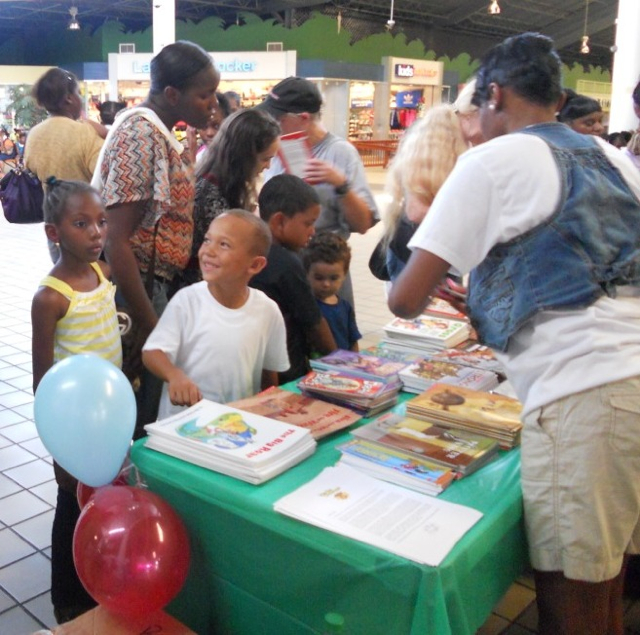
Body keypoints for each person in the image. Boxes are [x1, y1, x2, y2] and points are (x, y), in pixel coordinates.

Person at [388, 32, 640, 635]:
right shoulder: (609, 157)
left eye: (476, 108)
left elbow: (403, 297)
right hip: (629, 382)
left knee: (569, 597)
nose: (472, 125)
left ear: (495, 93)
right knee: (605, 586)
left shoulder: (492, 162)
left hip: (583, 395)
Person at [92, 40, 220, 431]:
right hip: (140, 292)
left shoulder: (158, 131)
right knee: (137, 410)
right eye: (204, 95)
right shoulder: (141, 134)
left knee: (145, 403)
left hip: (152, 287)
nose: (212, 105)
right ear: (171, 93)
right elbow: (116, 240)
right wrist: (154, 329)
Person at [30, 178, 122, 625]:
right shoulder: (51, 298)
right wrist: (59, 445)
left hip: (109, 418)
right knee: (71, 506)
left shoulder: (103, 272)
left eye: (102, 222)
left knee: (102, 502)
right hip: (74, 427)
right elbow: (43, 382)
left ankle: (101, 580)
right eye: (82, 223)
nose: (96, 233)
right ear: (54, 232)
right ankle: (67, 597)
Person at [142, 210, 289, 418]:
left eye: (224, 245)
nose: (209, 251)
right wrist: (174, 376)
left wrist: (268, 412)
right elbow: (152, 352)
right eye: (207, 240)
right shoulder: (187, 301)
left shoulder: (267, 310)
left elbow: (269, 374)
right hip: (183, 428)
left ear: (255, 265)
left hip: (235, 427)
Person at [257, 76, 379, 306]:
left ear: (303, 119)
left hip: (325, 275)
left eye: (277, 119)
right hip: (282, 271)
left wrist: (340, 185)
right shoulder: (275, 151)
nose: (270, 124)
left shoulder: (340, 153)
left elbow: (363, 224)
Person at [175, 108, 280, 289]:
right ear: (245, 155)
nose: (268, 166)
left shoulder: (218, 184)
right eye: (264, 159)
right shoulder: (212, 193)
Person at [251, 174, 337, 384]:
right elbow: (314, 323)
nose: (312, 231)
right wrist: (339, 362)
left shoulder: (250, 250)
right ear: (279, 221)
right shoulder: (287, 263)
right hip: (287, 371)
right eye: (308, 223)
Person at [379, 103, 470, 282]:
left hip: (405, 247)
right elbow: (417, 212)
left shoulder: (413, 155)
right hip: (427, 254)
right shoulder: (458, 163)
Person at [24, 67, 107, 261]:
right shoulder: (84, 133)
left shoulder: (34, 134)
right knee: (94, 280)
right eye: (78, 93)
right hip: (87, 223)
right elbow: (103, 175)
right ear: (69, 98)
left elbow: (31, 168)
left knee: (64, 276)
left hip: (54, 221)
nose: (80, 98)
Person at [302, 231, 361, 352]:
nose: (326, 284)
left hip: (343, 366)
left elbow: (353, 341)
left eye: (333, 278)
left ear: (344, 275)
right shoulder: (306, 308)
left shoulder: (345, 307)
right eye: (319, 278)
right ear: (307, 274)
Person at [188, 91, 231, 164]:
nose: (209, 133)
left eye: (217, 126)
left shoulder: (232, 158)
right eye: (204, 126)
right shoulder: (201, 153)